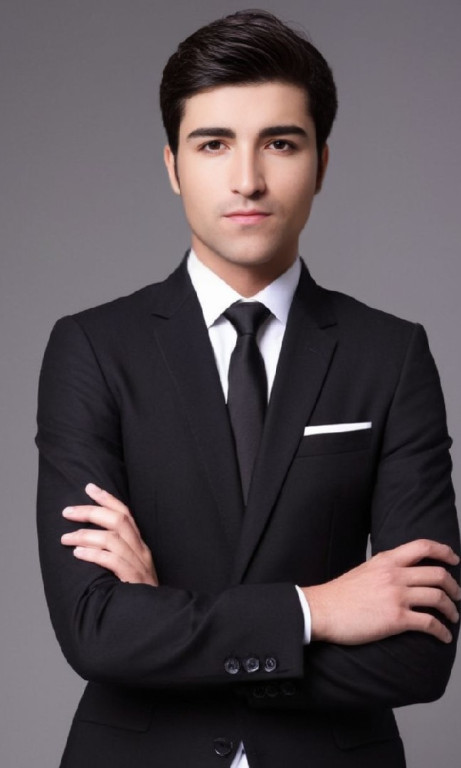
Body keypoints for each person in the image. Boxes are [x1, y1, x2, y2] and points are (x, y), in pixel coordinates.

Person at [36, 9, 460, 768]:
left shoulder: (390, 355)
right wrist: (315, 611)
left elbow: (420, 655)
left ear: (321, 163)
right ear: (173, 165)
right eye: (213, 144)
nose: (247, 180)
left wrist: (166, 627)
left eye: (280, 143)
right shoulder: (93, 349)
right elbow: (95, 629)